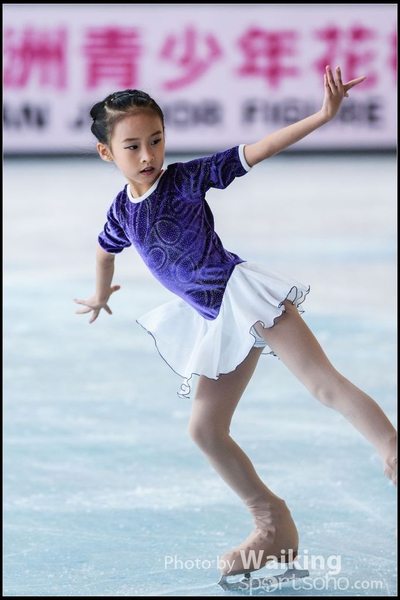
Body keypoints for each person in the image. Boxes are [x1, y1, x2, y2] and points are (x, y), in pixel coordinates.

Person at [74, 66, 397, 580]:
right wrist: (98, 293)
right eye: (132, 147)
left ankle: (392, 449)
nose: (148, 155)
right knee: (205, 429)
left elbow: (257, 150)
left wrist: (323, 115)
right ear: (106, 152)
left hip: (245, 298)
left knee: (322, 384)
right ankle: (272, 525)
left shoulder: (185, 180)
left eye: (156, 140)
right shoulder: (121, 210)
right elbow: (103, 250)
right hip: (216, 320)